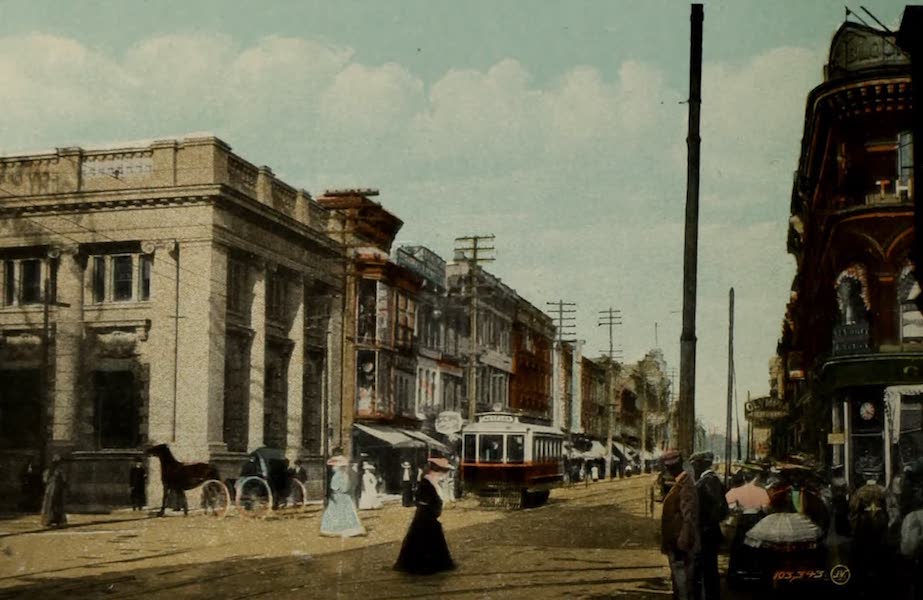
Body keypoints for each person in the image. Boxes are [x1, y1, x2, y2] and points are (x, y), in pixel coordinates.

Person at [394, 457, 456, 575]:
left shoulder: (433, 482)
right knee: (423, 540)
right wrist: (432, 507)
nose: (444, 475)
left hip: (430, 516)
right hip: (424, 517)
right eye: (444, 471)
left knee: (432, 541)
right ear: (437, 471)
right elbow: (422, 500)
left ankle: (434, 563)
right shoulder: (426, 482)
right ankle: (423, 565)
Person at [660, 449, 698, 600]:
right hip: (676, 540)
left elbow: (689, 516)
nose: (669, 470)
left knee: (681, 580)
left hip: (679, 542)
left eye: (670, 467)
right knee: (679, 580)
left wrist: (684, 539)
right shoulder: (681, 483)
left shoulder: (685, 485)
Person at [690, 452, 727, 600]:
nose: (693, 468)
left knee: (702, 570)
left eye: (694, 465)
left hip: (704, 533)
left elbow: (716, 509)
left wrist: (705, 524)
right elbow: (724, 510)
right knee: (710, 569)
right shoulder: (715, 480)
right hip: (711, 531)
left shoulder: (705, 482)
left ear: (701, 464)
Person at [320, 456, 365, 537]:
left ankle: (337, 529)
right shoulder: (344, 475)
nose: (333, 468)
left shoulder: (339, 475)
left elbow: (338, 487)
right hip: (342, 497)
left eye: (335, 466)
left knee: (338, 512)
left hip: (339, 496)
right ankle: (343, 528)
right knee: (343, 512)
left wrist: (335, 491)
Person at [40, 454, 67, 528]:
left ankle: (56, 520)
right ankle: (49, 520)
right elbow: (45, 480)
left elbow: (64, 480)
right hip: (51, 490)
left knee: (56, 505)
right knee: (50, 504)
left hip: (56, 490)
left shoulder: (59, 471)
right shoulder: (50, 471)